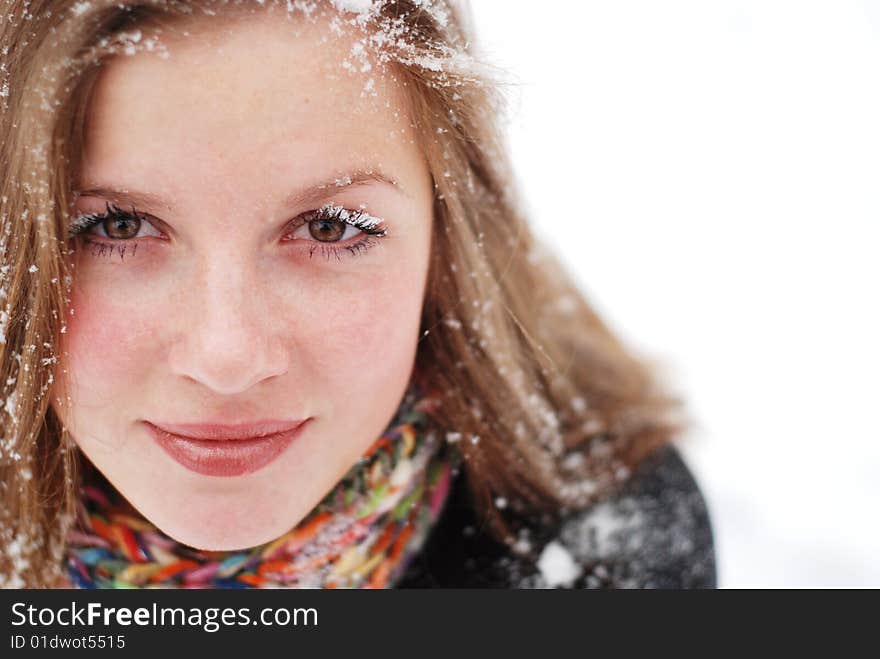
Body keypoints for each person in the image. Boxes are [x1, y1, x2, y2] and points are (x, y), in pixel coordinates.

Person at [0, 0, 715, 589]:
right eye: (117, 226)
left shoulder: (605, 552)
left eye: (328, 226)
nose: (228, 357)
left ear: (449, 235)